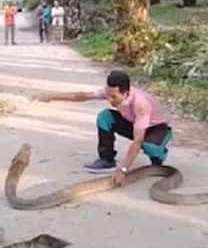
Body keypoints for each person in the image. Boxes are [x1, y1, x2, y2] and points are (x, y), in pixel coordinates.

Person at [31, 71, 175, 184]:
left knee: (148, 146)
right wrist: (50, 96)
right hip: (133, 124)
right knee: (105, 116)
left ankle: (159, 157)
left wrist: (123, 170)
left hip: (156, 128)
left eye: (114, 97)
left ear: (126, 93)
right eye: (108, 95)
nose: (110, 100)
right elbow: (81, 96)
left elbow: (137, 140)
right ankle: (107, 159)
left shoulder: (140, 104)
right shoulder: (111, 92)